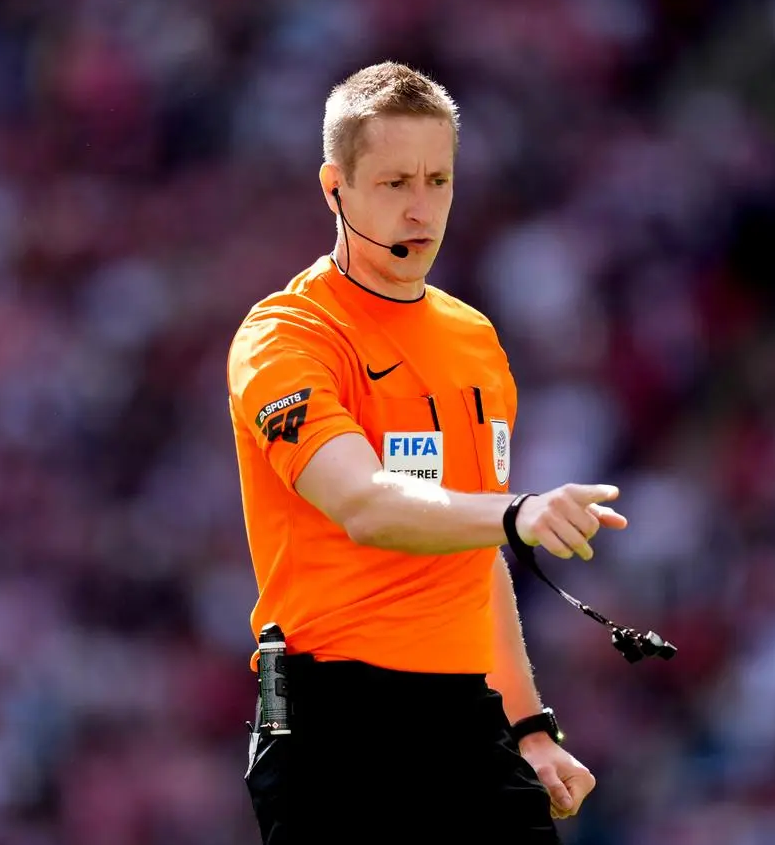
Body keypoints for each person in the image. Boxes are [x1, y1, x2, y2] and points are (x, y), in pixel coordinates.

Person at [226, 61, 628, 844]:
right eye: (395, 183)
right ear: (334, 187)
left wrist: (530, 725)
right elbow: (366, 504)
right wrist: (518, 512)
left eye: (439, 180)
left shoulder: (473, 338)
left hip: (466, 720)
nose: (421, 209)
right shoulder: (287, 336)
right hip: (336, 730)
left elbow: (478, 550)